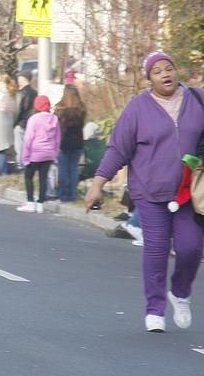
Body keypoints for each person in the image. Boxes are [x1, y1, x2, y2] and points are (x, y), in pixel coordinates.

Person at [85, 52, 204, 332]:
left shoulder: (197, 100)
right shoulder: (138, 108)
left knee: (191, 247)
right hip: (150, 192)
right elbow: (118, 149)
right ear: (148, 79)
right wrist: (98, 183)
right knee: (157, 249)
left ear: (177, 71)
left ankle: (181, 292)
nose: (165, 74)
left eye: (169, 68)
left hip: (189, 192)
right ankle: (155, 309)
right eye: (157, 71)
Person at [17, 95, 60, 213]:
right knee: (43, 178)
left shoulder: (34, 119)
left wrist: (25, 156)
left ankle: (30, 202)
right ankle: (40, 203)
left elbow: (28, 138)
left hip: (35, 153)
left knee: (28, 176)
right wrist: (55, 154)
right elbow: (57, 138)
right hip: (49, 153)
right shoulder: (54, 119)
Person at [55, 84, 86, 202]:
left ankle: (63, 194)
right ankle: (73, 193)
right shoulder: (81, 109)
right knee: (73, 169)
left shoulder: (60, 109)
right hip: (77, 142)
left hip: (63, 142)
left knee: (63, 168)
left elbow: (56, 125)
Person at [14, 73, 37, 170]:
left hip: (21, 122)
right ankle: (28, 164)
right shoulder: (35, 92)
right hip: (31, 122)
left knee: (19, 146)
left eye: (19, 79)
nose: (18, 81)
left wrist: (14, 123)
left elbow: (18, 110)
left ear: (24, 79)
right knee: (29, 145)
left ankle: (20, 165)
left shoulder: (21, 93)